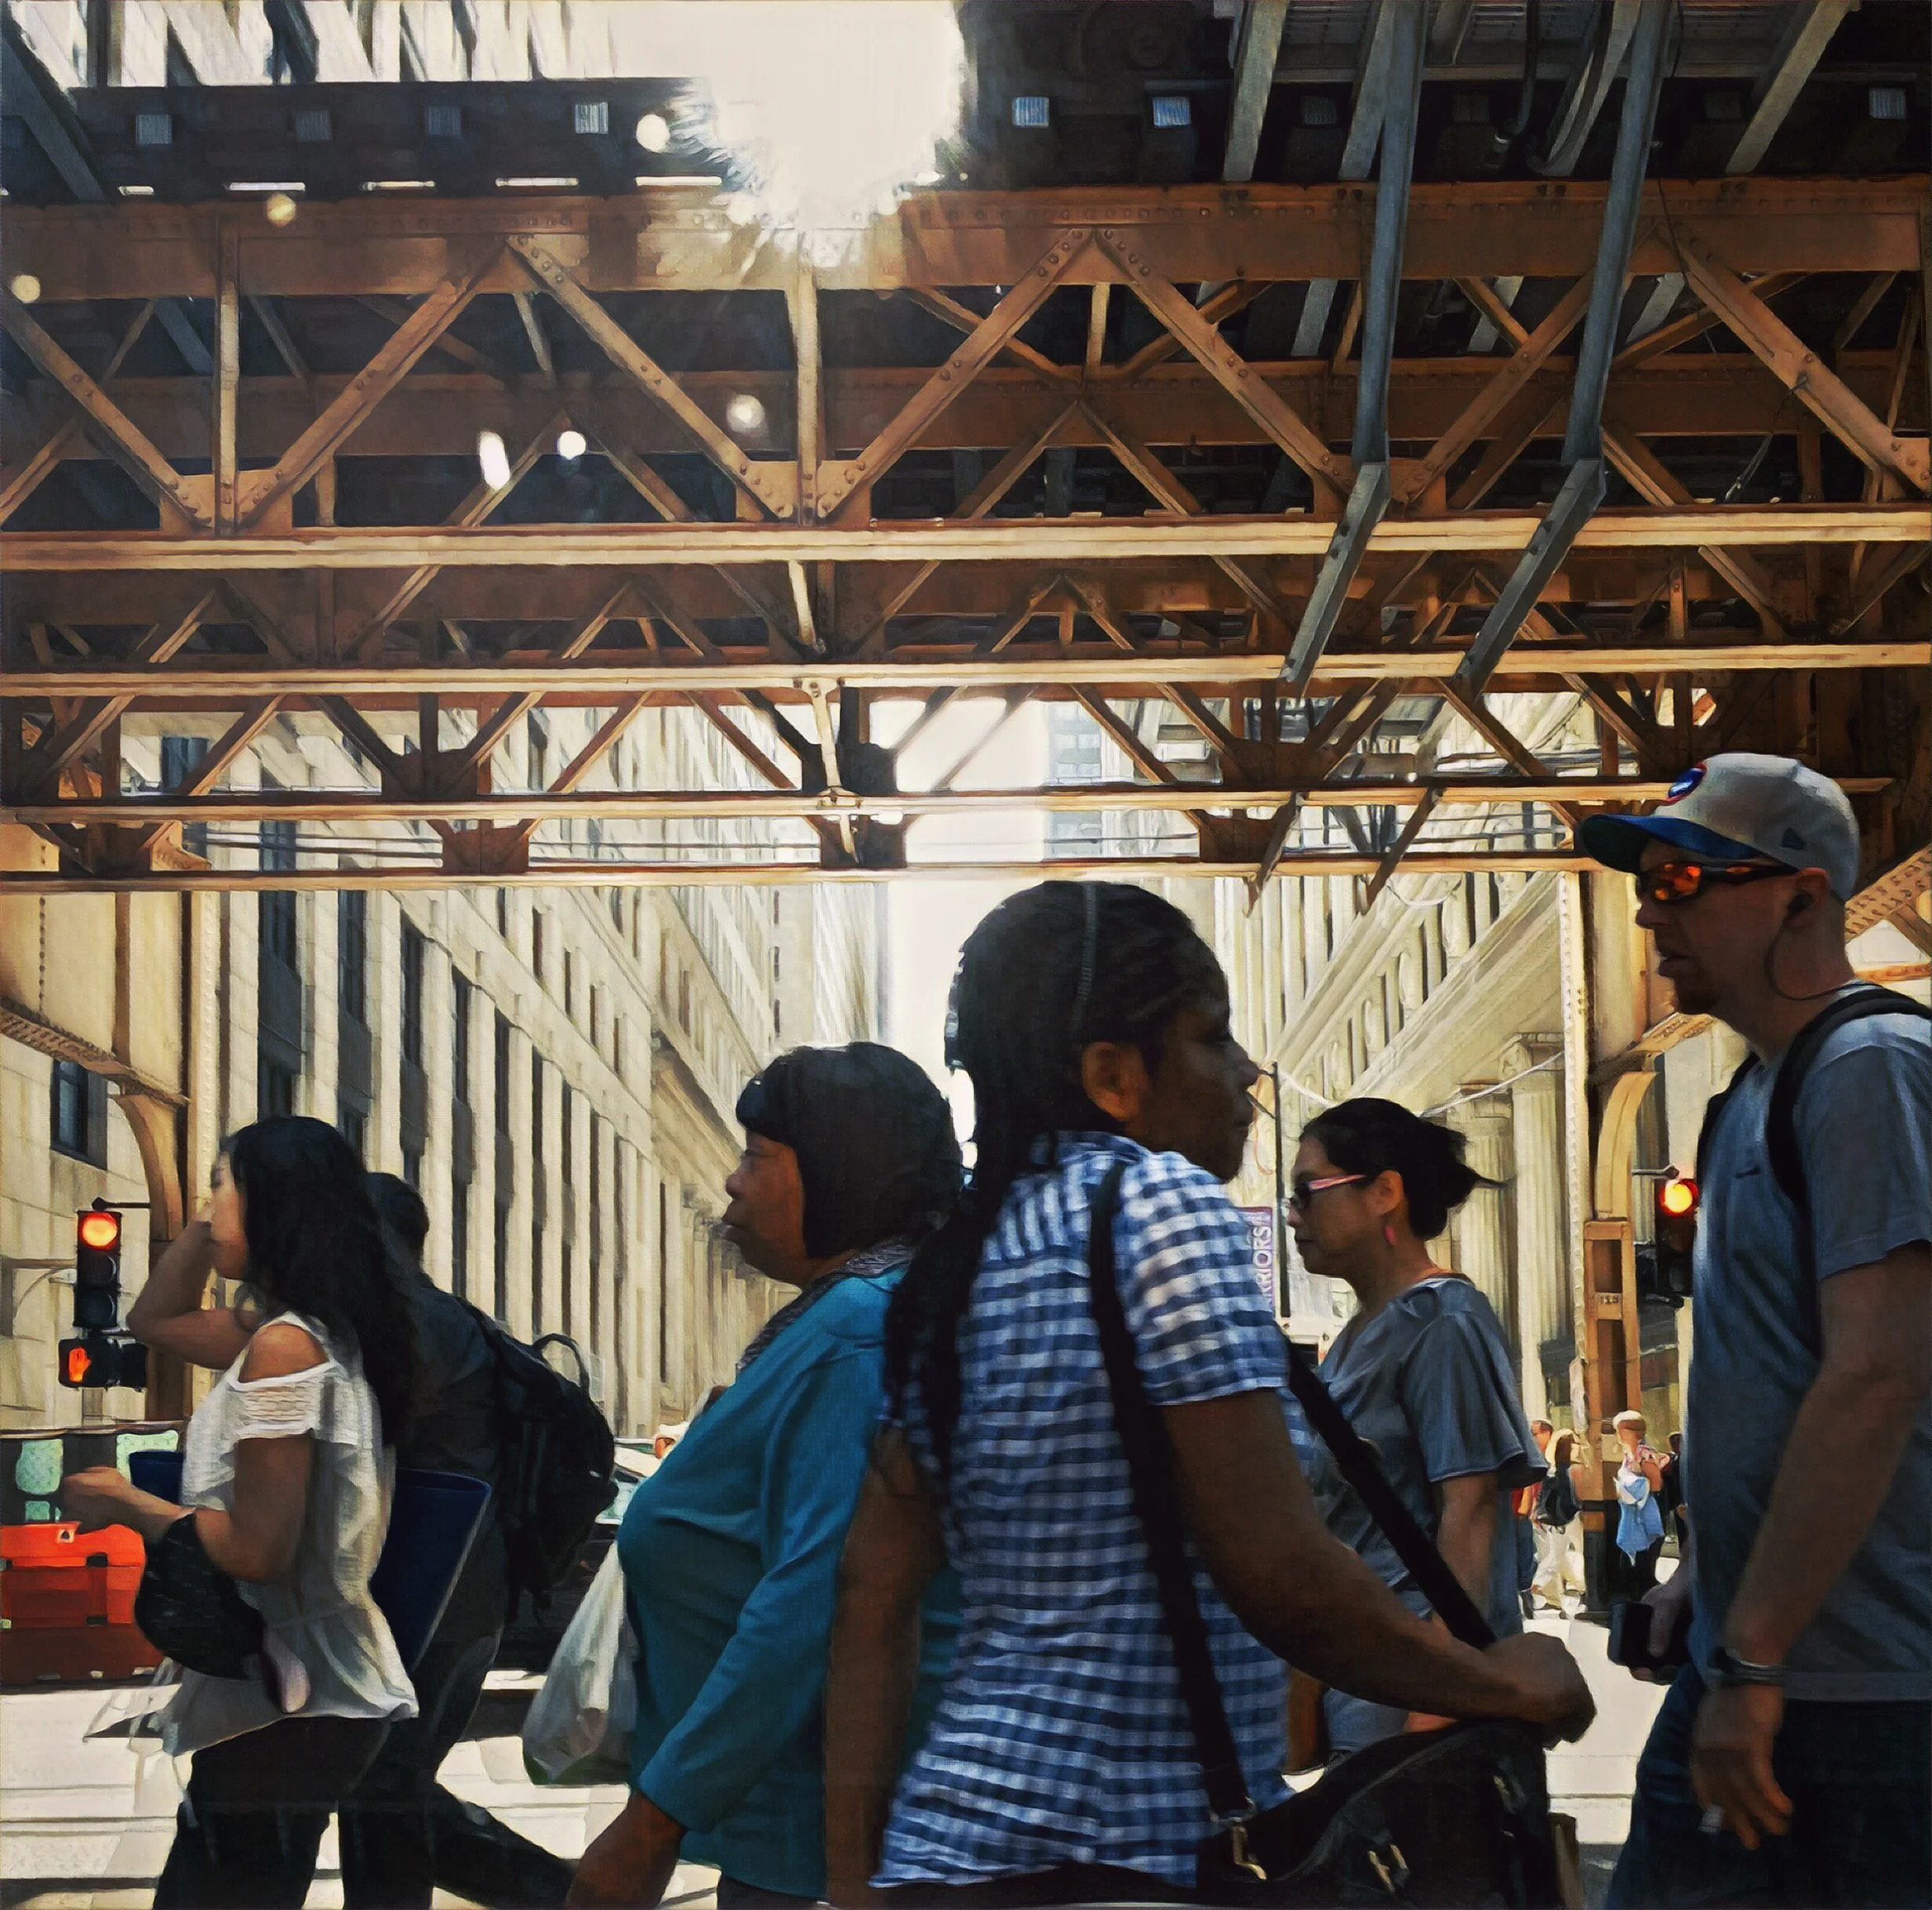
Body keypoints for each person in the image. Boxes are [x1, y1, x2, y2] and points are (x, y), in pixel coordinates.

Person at [824, 881, 1592, 1906]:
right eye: (1212, 1038)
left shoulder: (959, 1265)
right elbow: (1279, 1572)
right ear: (1113, 1076)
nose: (1246, 1072)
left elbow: (873, 1602)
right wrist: (1503, 1681)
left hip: (951, 1855)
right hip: (1133, 1852)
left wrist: (853, 1882)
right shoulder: (1163, 1209)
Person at [1578, 754, 1930, 1908]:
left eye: (1681, 877)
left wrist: (1759, 1657)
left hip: (1868, 1696)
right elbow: (1766, 1383)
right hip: (1763, 1660)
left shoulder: (1870, 1069)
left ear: (1799, 897)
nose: (1645, 907)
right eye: (1644, 878)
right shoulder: (1749, 1096)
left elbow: (1876, 1375)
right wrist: (1702, 1580)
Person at [571, 1043, 966, 1910]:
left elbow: (809, 1606)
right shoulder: (853, 1314)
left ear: (841, 1174)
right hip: (786, 1833)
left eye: (758, 1156)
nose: (732, 1183)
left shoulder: (860, 1333)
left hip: (813, 1849)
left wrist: (651, 1827)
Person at [60, 1117, 420, 1909]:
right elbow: (151, 1322)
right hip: (308, 1693)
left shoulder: (286, 1350)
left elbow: (258, 1549)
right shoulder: (312, 1334)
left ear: (269, 1204)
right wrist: (211, 1219)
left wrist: (126, 1502)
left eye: (222, 1184)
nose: (211, 1200)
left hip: (290, 1700)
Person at [1283, 1096, 1549, 1756]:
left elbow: (1472, 1514)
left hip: (1414, 1711)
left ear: (1384, 1194)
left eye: (1307, 1192)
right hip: (1368, 1693)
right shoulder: (1358, 1336)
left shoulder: (1443, 1320)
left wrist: (1436, 1711)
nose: (1293, 1215)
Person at [343, 1174, 576, 1910]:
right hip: (457, 1599)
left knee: (383, 1788)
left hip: (427, 1602)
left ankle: (564, 1894)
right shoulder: (454, 1320)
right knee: (381, 1791)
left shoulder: (407, 1323)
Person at [1530, 1424, 1586, 1615]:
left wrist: (1538, 1512)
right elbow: (1580, 1494)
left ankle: (1536, 1586)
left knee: (1556, 1555)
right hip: (1574, 1517)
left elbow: (1542, 1496)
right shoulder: (1575, 1469)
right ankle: (1585, 1589)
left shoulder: (1551, 1470)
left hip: (1555, 1520)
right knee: (1582, 1552)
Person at [1611, 1410, 1666, 1599]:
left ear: (1636, 1432)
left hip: (1643, 1515)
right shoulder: (1629, 1454)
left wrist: (1634, 1488)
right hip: (1632, 1515)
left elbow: (1656, 1483)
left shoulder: (1644, 1454)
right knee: (1633, 1569)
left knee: (1643, 1569)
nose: (1618, 1435)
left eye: (1622, 1430)